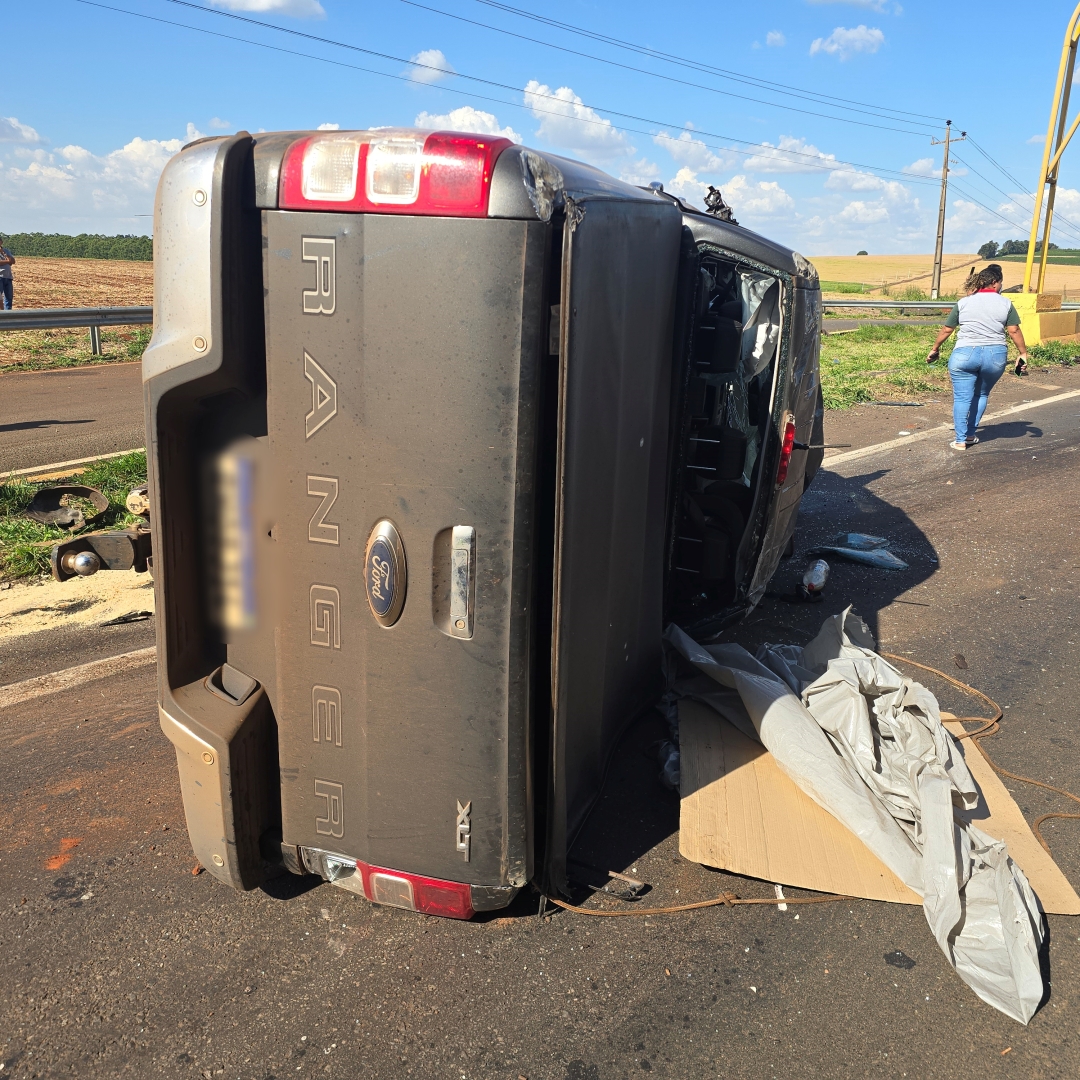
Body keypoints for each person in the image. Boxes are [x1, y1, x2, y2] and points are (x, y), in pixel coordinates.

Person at [927, 263, 1029, 450]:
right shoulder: (1005, 303)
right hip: (995, 355)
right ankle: (970, 434)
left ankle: (959, 440)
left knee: (962, 398)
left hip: (964, 354)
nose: (1001, 286)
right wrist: (1023, 353)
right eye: (1000, 283)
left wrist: (935, 348)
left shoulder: (964, 302)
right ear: (994, 282)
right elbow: (1013, 330)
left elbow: (947, 329)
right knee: (981, 394)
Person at [0, 237, 13, 310]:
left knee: (9, 297)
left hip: (8, 277)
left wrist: (3, 253)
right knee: (0, 298)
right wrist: (8, 261)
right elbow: (9, 261)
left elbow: (13, 261)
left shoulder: (6, 251)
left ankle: (8, 314)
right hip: (0, 277)